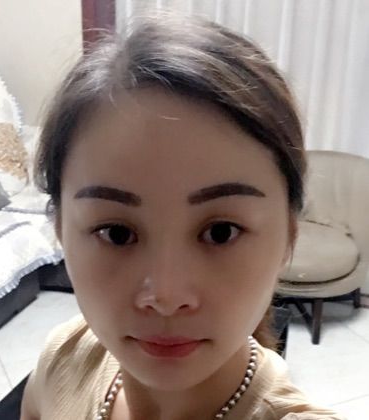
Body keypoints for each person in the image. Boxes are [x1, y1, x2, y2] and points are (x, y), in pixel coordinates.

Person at [20, 12, 346, 420]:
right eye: (116, 233)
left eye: (221, 232)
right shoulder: (64, 361)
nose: (166, 297)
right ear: (61, 231)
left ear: (288, 238)